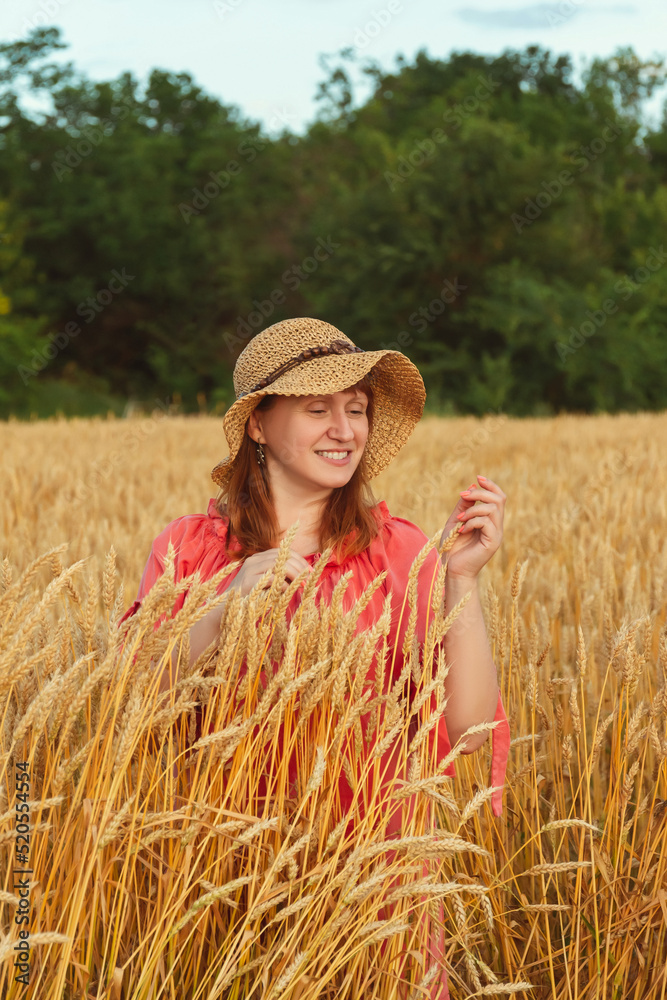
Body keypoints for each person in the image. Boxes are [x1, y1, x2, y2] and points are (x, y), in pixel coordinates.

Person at [119, 316, 510, 997]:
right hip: (222, 874)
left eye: (355, 410)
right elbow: (129, 689)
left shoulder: (399, 551)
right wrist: (226, 604)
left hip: (377, 883)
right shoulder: (192, 550)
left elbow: (469, 731)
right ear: (259, 425)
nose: (344, 429)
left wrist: (463, 578)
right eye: (316, 408)